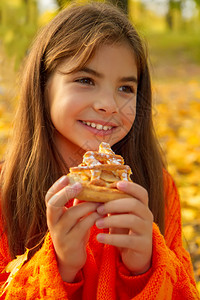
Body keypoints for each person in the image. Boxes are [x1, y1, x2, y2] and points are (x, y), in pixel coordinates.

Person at [0, 2, 199, 299]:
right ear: (43, 85)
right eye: (85, 80)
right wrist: (62, 268)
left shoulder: (159, 187)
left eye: (125, 88)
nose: (109, 104)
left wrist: (143, 268)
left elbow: (185, 291)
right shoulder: (6, 190)